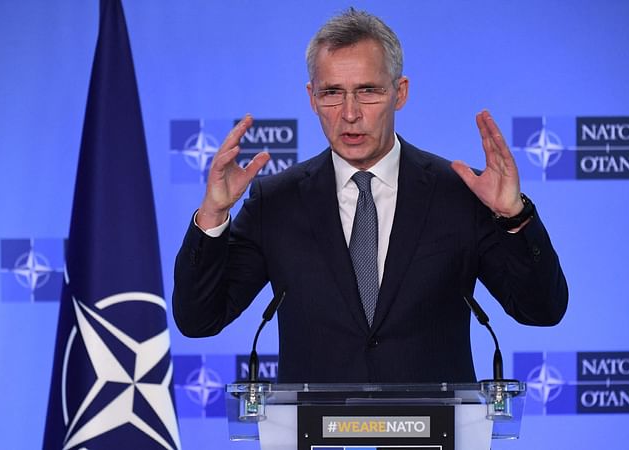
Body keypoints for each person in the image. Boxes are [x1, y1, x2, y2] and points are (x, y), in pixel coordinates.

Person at [173, 8, 567, 383]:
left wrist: (512, 216)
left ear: (400, 92)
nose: (349, 113)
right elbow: (200, 321)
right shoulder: (276, 201)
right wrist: (212, 216)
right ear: (312, 98)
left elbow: (542, 310)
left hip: (429, 433)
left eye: (368, 91)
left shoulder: (459, 194)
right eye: (332, 93)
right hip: (314, 433)